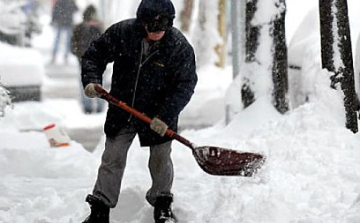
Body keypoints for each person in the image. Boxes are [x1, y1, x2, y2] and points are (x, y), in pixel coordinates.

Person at [80, 0, 198, 222]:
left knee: (161, 159)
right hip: (122, 109)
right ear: (142, 23)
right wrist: (91, 80)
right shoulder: (123, 33)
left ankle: (162, 204)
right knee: (112, 157)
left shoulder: (178, 46)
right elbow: (94, 55)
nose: (156, 33)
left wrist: (165, 116)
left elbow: (185, 84)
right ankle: (100, 208)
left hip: (159, 115)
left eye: (162, 28)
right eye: (151, 28)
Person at [71, 4, 104, 114]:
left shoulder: (79, 27)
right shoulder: (100, 27)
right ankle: (99, 106)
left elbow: (72, 45)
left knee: (84, 83)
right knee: (99, 82)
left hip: (83, 61)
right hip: (99, 62)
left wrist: (79, 55)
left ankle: (87, 107)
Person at [50, 0, 78, 64]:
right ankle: (66, 55)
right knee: (67, 40)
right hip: (68, 22)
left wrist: (53, 20)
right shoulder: (71, 1)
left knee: (57, 39)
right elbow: (76, 9)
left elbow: (55, 12)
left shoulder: (59, 1)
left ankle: (54, 55)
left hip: (60, 22)